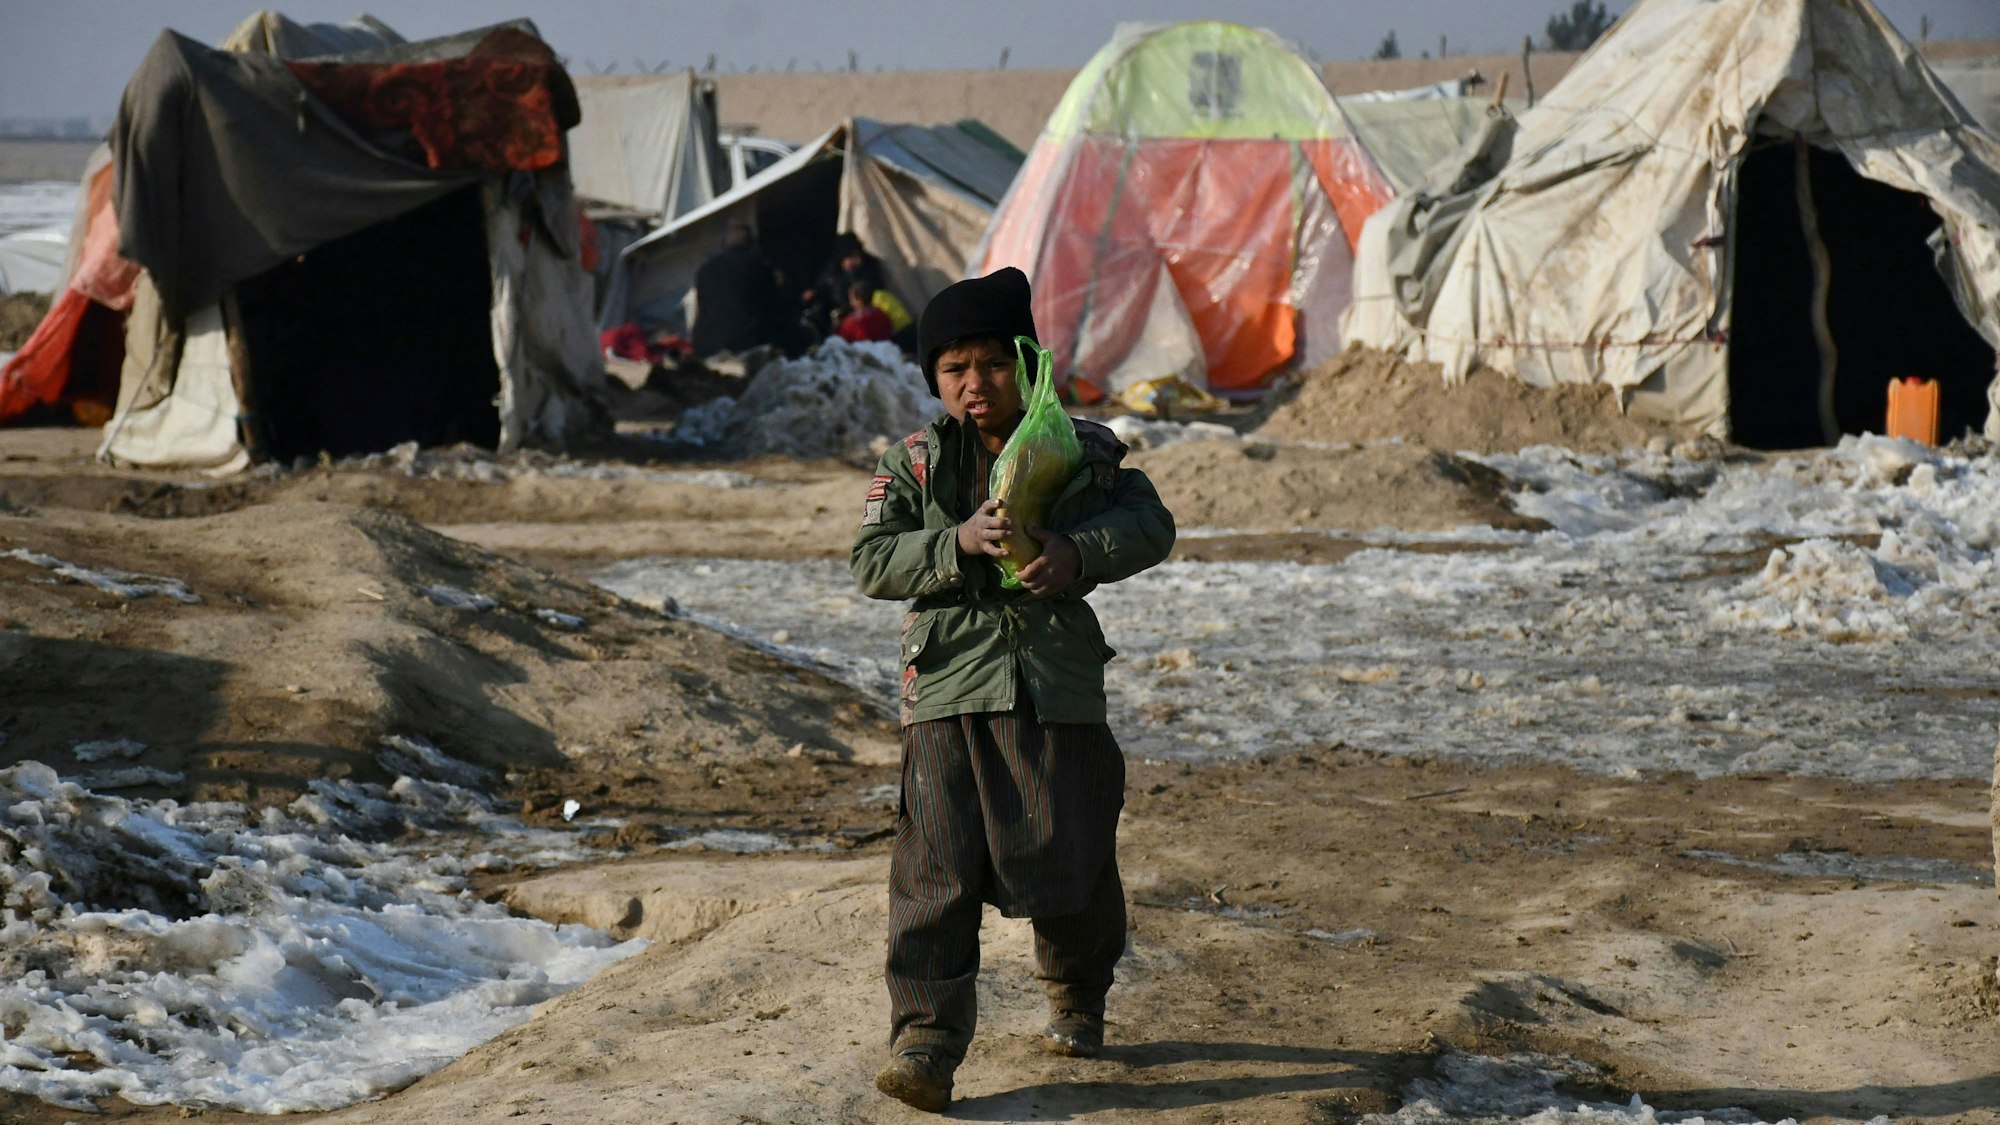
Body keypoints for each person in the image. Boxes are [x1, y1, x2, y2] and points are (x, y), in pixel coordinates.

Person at [850, 267, 1176, 1113]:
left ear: (1026, 365)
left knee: (1072, 854)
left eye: (992, 364)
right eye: (953, 369)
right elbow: (870, 559)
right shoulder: (913, 463)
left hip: (1055, 686)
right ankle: (925, 1038)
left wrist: (1076, 553)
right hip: (950, 687)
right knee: (935, 865)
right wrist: (951, 542)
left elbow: (1150, 523)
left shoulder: (1080, 451)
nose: (974, 385)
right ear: (934, 379)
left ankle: (1076, 995)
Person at [690, 222, 785, 358]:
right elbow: (774, 304)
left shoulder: (705, 269)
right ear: (751, 244)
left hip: (706, 346)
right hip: (747, 344)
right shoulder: (759, 266)